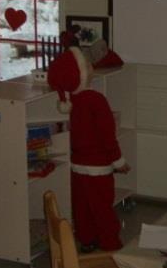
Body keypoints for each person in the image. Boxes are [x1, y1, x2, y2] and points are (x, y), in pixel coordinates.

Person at [47, 47, 127, 252]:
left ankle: (87, 239)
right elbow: (107, 136)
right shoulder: (96, 101)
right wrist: (118, 161)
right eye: (87, 66)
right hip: (98, 167)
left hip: (77, 165)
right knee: (102, 207)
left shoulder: (70, 102)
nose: (91, 68)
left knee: (82, 207)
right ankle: (110, 242)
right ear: (82, 74)